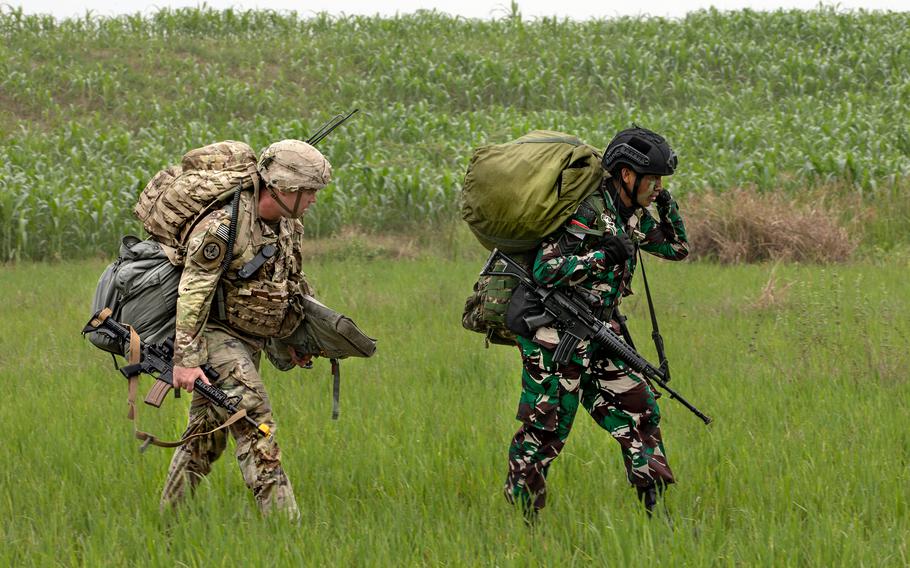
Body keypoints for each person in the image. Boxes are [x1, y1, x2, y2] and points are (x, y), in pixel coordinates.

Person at [502, 126, 690, 521]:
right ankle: (522, 516)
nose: (657, 185)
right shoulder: (588, 212)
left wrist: (666, 203)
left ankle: (655, 510)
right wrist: (601, 257)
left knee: (640, 410)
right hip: (556, 333)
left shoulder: (634, 217)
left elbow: (677, 248)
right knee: (548, 426)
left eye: (661, 180)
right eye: (652, 179)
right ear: (627, 175)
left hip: (601, 329)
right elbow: (546, 268)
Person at [159, 139, 332, 520]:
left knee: (207, 436)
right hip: (214, 334)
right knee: (256, 420)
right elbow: (193, 291)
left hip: (249, 336)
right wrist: (185, 361)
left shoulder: (288, 224)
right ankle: (286, 527)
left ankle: (167, 519)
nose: (314, 200)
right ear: (285, 189)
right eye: (310, 192)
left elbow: (291, 281)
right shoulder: (224, 226)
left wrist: (297, 337)